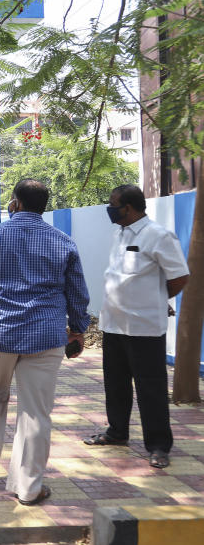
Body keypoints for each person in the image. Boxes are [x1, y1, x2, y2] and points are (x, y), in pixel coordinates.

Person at [0, 179, 90, 505]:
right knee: (35, 412)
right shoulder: (63, 242)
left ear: (14, 203)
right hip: (45, 336)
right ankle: (28, 488)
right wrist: (78, 328)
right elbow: (77, 293)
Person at [83, 184, 189, 469]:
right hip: (114, 325)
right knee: (115, 385)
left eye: (112, 203)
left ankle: (158, 446)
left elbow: (179, 277)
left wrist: (156, 298)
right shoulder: (118, 234)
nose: (110, 208)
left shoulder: (158, 235)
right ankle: (117, 432)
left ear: (128, 207)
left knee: (150, 389)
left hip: (144, 328)